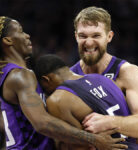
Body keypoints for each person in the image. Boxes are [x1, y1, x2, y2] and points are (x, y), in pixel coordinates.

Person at [0, 16, 127, 150]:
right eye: (20, 31)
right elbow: (41, 123)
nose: (27, 35)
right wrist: (94, 139)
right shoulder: (21, 76)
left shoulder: (9, 74)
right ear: (8, 40)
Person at [70, 6, 138, 139]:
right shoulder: (68, 78)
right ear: (75, 37)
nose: (89, 43)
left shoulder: (128, 73)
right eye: (82, 36)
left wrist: (109, 122)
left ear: (109, 36)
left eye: (96, 35)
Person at [34, 54, 138, 150]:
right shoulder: (106, 79)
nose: (46, 93)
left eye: (44, 89)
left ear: (46, 80)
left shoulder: (56, 100)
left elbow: (80, 147)